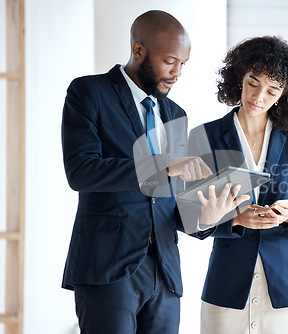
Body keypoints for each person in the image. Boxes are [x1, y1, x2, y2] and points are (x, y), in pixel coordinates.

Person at [61, 10, 247, 334]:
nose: (177, 73)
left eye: (183, 64)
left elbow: (167, 201)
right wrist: (163, 166)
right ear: (138, 51)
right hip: (109, 268)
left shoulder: (175, 113)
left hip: (165, 273)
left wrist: (206, 216)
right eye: (169, 61)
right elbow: (82, 171)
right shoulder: (89, 93)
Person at [188, 36, 288, 334]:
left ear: (285, 95)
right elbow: (189, 216)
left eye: (272, 90)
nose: (259, 96)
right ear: (240, 76)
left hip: (286, 290)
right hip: (227, 287)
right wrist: (235, 219)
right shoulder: (205, 136)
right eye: (253, 82)